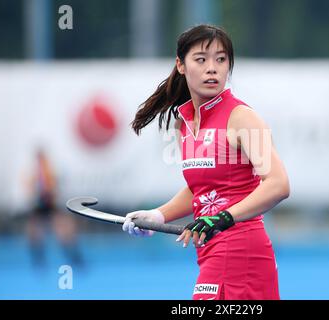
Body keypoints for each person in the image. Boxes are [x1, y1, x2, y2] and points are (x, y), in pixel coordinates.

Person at [122, 24, 290, 300]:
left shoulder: (242, 117)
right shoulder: (183, 124)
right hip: (211, 251)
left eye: (221, 60)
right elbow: (202, 189)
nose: (212, 68)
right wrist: (157, 215)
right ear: (181, 65)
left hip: (242, 252)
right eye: (201, 59)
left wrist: (224, 218)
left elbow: (278, 184)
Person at [26, 148, 83, 269]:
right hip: (39, 207)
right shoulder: (34, 174)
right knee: (34, 233)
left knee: (64, 232)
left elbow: (55, 191)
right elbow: (31, 192)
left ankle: (75, 257)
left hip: (51, 205)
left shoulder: (51, 172)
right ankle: (38, 260)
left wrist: (50, 193)